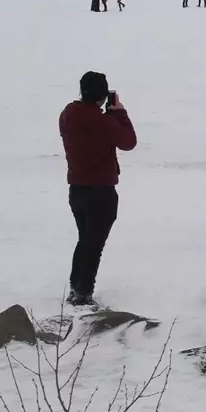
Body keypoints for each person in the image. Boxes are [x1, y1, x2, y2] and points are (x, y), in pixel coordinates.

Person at [59, 72, 137, 307]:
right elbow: (128, 142)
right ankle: (83, 294)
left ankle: (76, 288)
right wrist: (119, 113)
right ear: (103, 95)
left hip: (77, 189)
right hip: (101, 191)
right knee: (94, 245)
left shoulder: (68, 115)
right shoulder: (103, 121)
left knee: (85, 241)